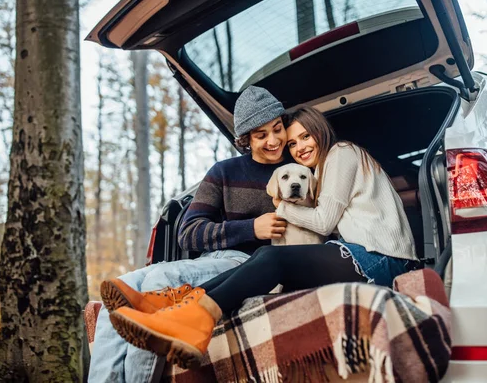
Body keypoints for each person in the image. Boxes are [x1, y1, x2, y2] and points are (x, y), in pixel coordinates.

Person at [105, 105, 417, 369]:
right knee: (262, 258)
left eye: (305, 136)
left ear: (320, 131)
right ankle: (172, 304)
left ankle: (194, 319)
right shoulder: (320, 173)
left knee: (269, 257)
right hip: (358, 254)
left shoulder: (341, 153)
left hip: (381, 259)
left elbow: (322, 222)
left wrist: (280, 205)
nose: (300, 147)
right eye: (293, 144)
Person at [88, 85, 290, 382]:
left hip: (247, 264)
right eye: (261, 135)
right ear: (245, 139)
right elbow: (188, 234)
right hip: (210, 259)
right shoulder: (224, 171)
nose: (274, 141)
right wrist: (251, 227)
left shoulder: (298, 171)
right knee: (115, 298)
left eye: (277, 128)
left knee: (159, 281)